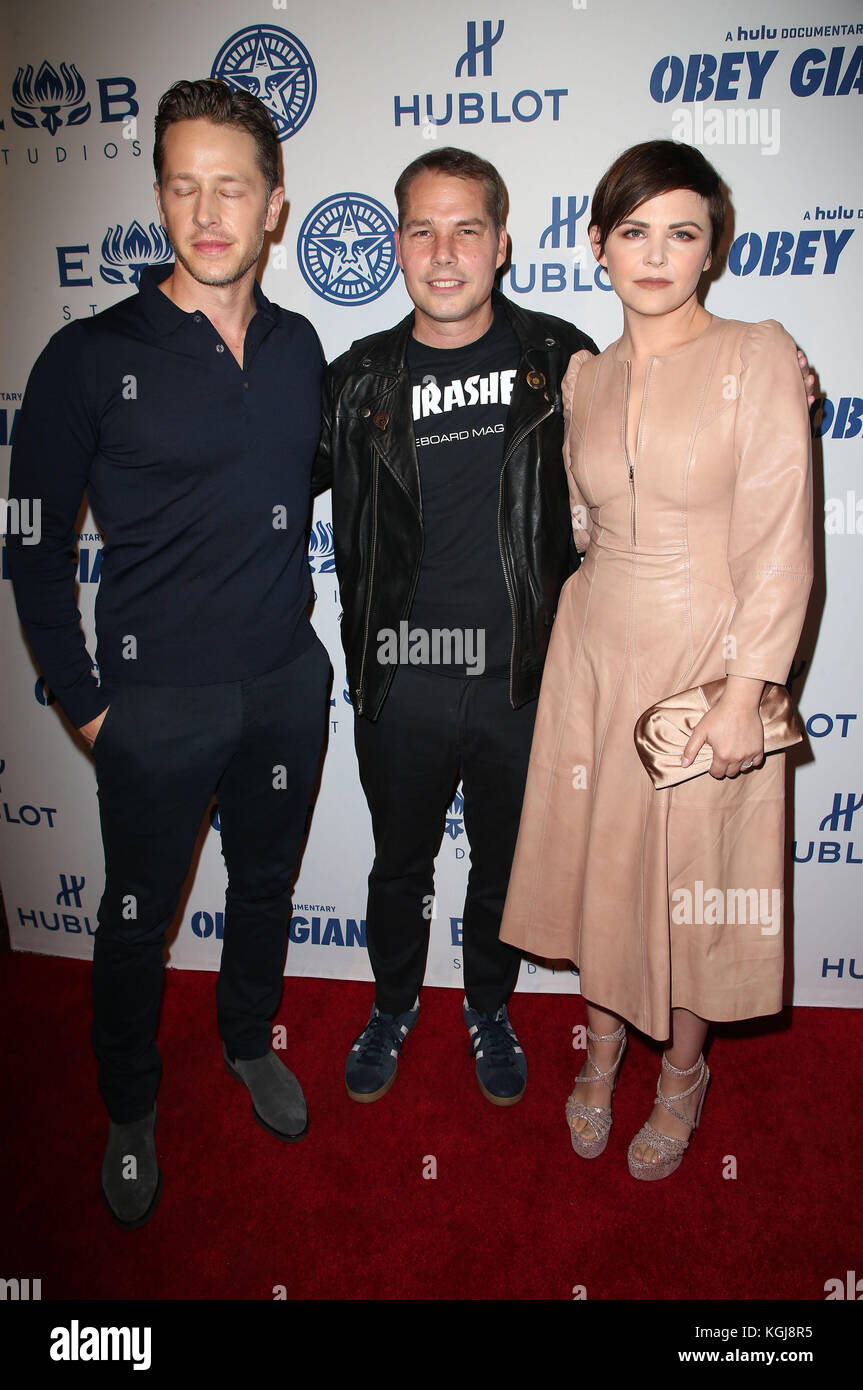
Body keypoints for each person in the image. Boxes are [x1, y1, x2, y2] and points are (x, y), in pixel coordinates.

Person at [7, 79, 331, 1228]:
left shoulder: (300, 347)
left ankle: (248, 1040)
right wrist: (91, 710)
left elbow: (336, 468)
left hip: (288, 685)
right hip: (155, 703)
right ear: (158, 194)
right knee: (138, 916)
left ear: (274, 205)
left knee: (265, 887)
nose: (206, 209)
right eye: (183, 184)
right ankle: (130, 1108)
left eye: (230, 185)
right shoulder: (87, 355)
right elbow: (32, 548)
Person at [499, 140, 814, 1178]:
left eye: (680, 232)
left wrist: (745, 690)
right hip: (591, 653)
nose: (654, 253)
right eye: (632, 231)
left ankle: (680, 1072)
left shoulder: (758, 356)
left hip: (704, 664)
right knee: (605, 870)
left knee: (693, 887)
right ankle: (598, 1053)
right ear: (597, 246)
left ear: (710, 248)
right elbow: (586, 523)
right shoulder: (584, 376)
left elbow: (780, 542)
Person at [313, 147, 598, 1106]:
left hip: (523, 679)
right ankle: (394, 1004)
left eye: (466, 228)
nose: (444, 252)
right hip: (403, 676)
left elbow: (668, 421)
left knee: (502, 872)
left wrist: (773, 374)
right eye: (422, 229)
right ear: (397, 244)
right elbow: (244, 462)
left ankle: (487, 1005)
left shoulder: (562, 359)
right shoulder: (354, 383)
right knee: (400, 867)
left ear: (501, 242)